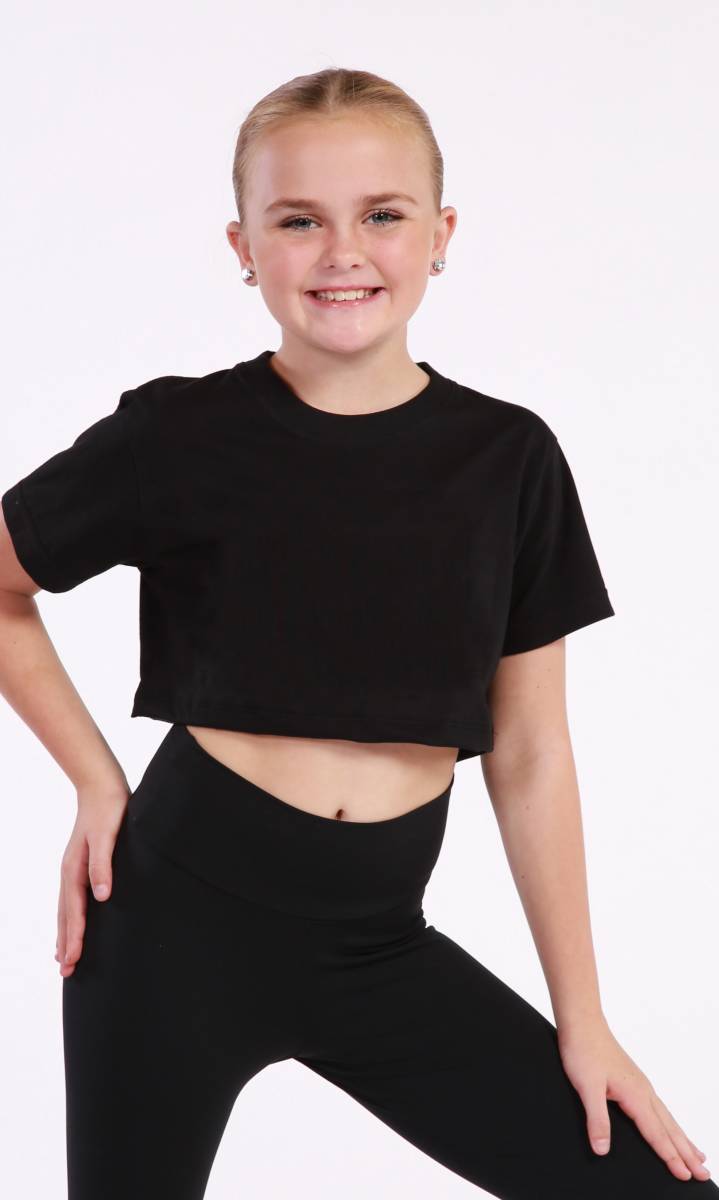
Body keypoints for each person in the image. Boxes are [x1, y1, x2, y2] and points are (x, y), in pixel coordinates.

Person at [0, 67, 714, 1200]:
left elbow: (530, 750)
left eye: (381, 214)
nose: (343, 252)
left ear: (440, 235)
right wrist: (94, 779)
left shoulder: (506, 460)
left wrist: (582, 1020)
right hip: (172, 927)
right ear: (243, 246)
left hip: (376, 941)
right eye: (298, 221)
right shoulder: (180, 434)